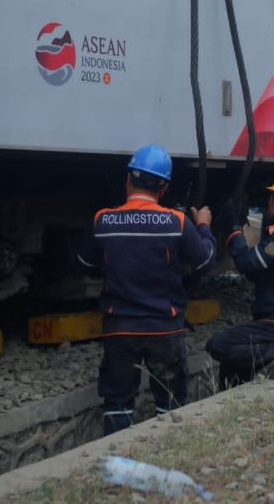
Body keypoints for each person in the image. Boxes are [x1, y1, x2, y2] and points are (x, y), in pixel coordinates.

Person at [77, 144, 216, 435]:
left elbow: (84, 263)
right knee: (171, 403)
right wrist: (202, 226)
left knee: (117, 404)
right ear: (164, 187)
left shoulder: (103, 220)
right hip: (164, 329)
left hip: (120, 330)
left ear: (128, 179)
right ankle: (170, 453)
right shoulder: (177, 222)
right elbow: (204, 262)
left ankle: (116, 462)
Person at [206, 173, 274, 387]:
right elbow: (258, 270)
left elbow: (249, 264)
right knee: (230, 369)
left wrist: (234, 230)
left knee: (218, 345)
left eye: (271, 198)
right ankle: (234, 391)